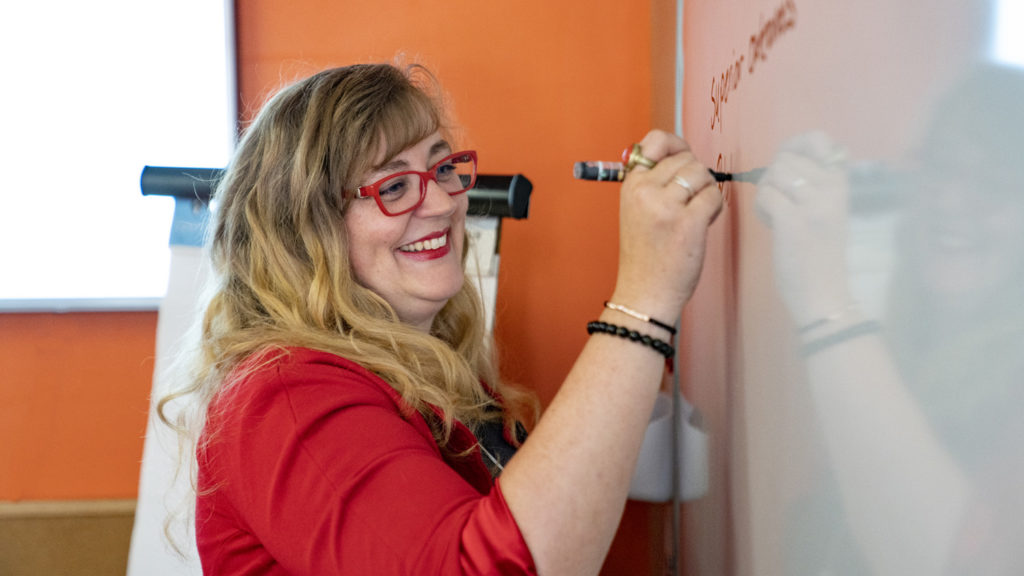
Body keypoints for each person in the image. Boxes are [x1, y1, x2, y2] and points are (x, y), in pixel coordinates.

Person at [160, 62, 722, 575]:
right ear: (306, 231)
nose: (444, 204)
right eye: (395, 186)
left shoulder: (422, 371)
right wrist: (644, 300)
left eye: (442, 167)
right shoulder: (287, 396)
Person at [755, 63, 1024, 575]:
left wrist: (821, 296)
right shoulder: (910, 328)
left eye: (992, 182)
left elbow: (951, 564)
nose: (951, 202)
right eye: (942, 167)